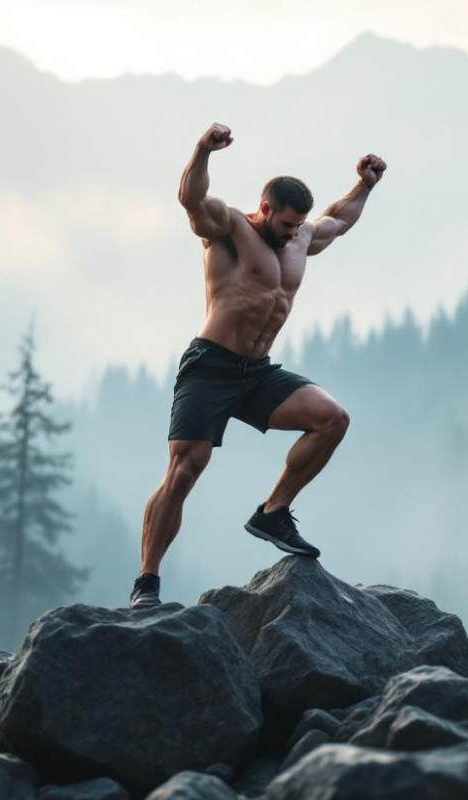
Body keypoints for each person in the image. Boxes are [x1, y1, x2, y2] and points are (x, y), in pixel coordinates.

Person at [129, 122, 386, 609]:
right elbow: (190, 199)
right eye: (285, 223)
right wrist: (202, 151)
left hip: (257, 372)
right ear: (265, 209)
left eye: (297, 225)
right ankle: (146, 582)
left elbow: (339, 219)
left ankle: (273, 511)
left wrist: (365, 185)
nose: (292, 233)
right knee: (184, 471)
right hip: (210, 367)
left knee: (332, 419)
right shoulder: (228, 229)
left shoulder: (301, 237)